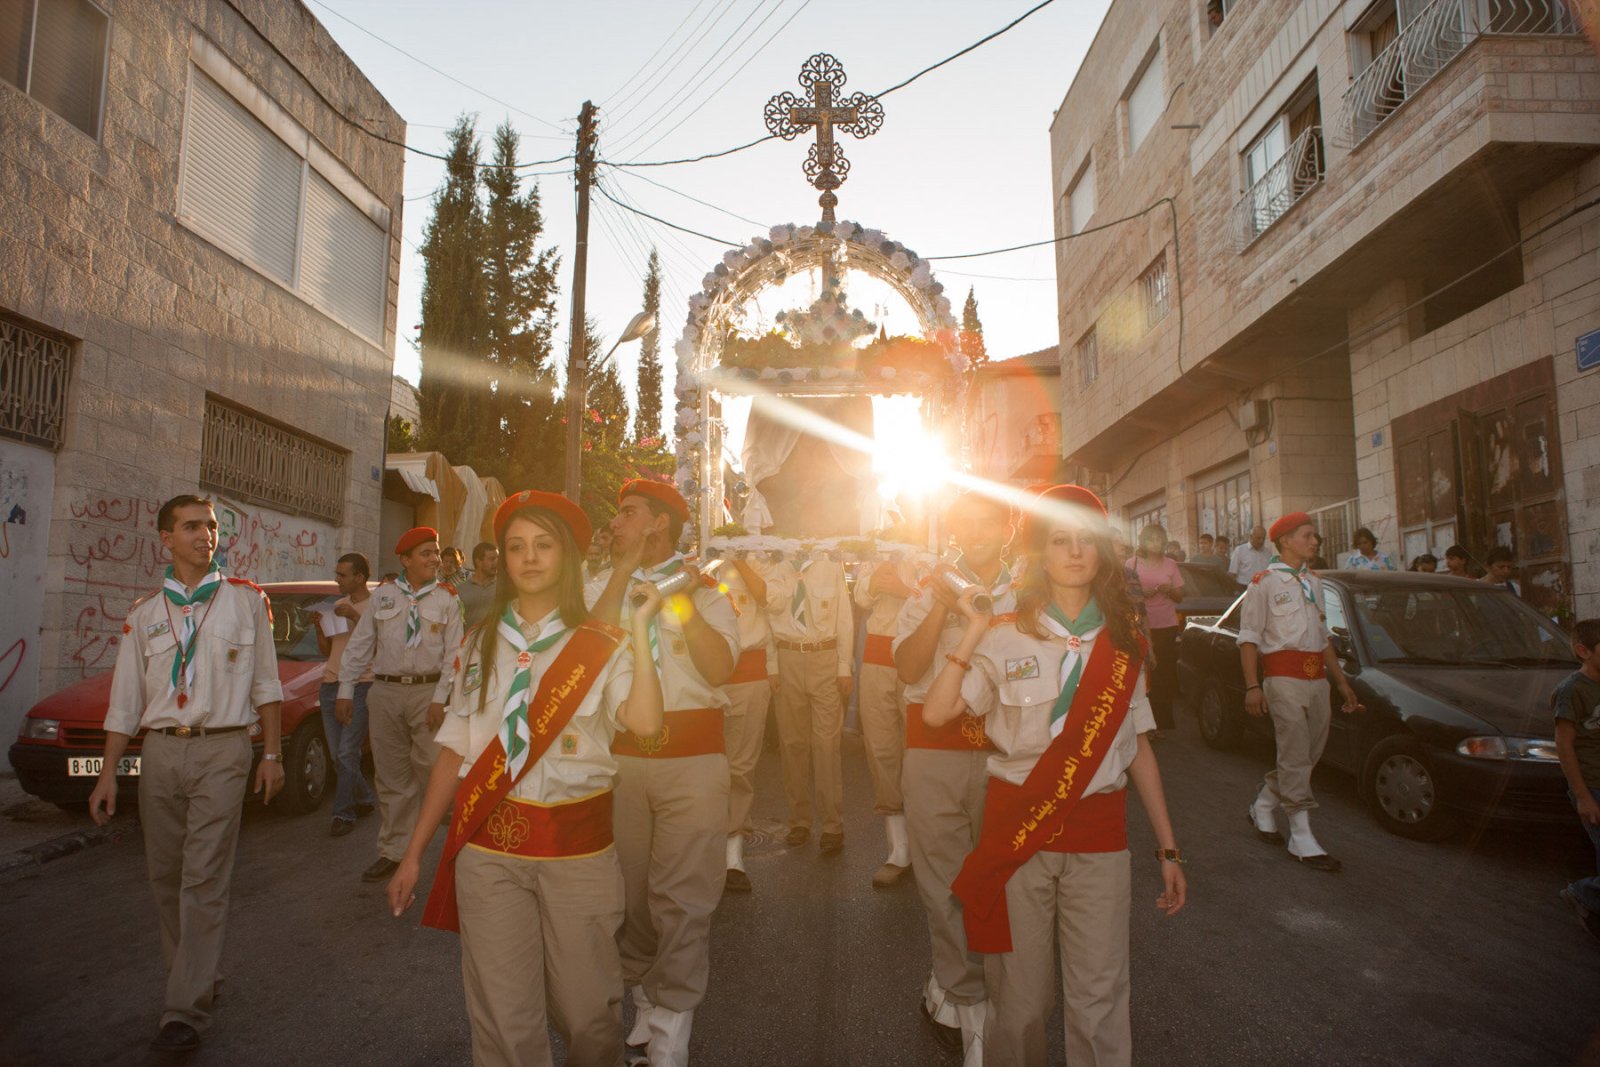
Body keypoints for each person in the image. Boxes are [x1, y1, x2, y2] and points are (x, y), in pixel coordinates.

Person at [386, 490, 665, 1066]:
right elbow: (454, 754)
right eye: (516, 547)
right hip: (489, 853)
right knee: (503, 1021)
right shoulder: (478, 644)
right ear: (504, 560)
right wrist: (414, 853)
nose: (529, 558)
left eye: (543, 545)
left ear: (565, 557)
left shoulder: (598, 644)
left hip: (577, 853)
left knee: (590, 1018)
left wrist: (639, 630)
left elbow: (644, 723)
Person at [922, 484, 1186, 1067]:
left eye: (1085, 542)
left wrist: (1169, 849)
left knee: (1100, 997)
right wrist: (971, 628)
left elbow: (1139, 747)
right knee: (1019, 1000)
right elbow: (938, 713)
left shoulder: (1125, 643)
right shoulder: (1004, 634)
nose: (1073, 553)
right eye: (1059, 541)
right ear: (1041, 553)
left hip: (1099, 836)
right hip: (1019, 832)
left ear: (1101, 554)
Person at [88, 494, 284, 1054]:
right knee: (165, 876)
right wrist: (106, 774)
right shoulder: (145, 614)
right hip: (160, 755)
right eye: (192, 526)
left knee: (203, 877)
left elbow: (266, 685)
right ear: (166, 539)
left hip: (223, 750)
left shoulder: (246, 603)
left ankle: (184, 1010)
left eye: (213, 526)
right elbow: (124, 705)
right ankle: (197, 976)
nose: (206, 535)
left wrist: (270, 755)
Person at [588, 480, 739, 1067]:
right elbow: (587, 652)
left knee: (682, 898)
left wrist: (680, 601)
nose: (617, 522)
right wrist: (623, 579)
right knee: (630, 896)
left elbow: (721, 668)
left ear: (660, 524)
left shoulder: (707, 589)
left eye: (628, 513)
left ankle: (672, 1027)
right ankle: (648, 997)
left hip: (692, 762)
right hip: (621, 761)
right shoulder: (601, 587)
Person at [893, 491, 1017, 1062]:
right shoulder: (927, 588)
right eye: (965, 522)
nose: (976, 531)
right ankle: (969, 1008)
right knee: (943, 885)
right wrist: (943, 607)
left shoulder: (1032, 595)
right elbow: (908, 668)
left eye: (988, 521)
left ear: (1008, 527)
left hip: (1007, 754)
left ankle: (979, 993)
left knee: (1003, 884)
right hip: (935, 749)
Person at [1238, 511, 1363, 872]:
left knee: (1308, 754)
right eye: (1308, 536)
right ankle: (1301, 834)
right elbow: (1248, 639)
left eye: (1315, 537)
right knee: (1294, 750)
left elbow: (1323, 638)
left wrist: (1341, 683)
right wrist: (1251, 686)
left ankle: (1263, 803)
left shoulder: (1315, 582)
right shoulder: (1263, 583)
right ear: (1286, 541)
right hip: (1283, 677)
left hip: (1316, 679)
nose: (1315, 542)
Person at [338, 528, 462, 884]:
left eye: (436, 553)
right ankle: (394, 851)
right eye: (425, 553)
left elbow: (454, 654)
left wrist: (441, 698)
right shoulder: (384, 597)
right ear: (405, 560)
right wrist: (346, 689)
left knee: (437, 772)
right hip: (386, 691)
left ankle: (459, 843)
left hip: (427, 694)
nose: (434, 559)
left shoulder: (447, 598)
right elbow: (362, 643)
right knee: (392, 778)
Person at [765, 549, 855, 853]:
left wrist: (844, 666)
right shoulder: (776, 564)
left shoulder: (830, 563)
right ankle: (799, 821)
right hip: (787, 656)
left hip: (824, 657)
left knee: (827, 745)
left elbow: (844, 616)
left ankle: (832, 824)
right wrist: (772, 665)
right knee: (792, 744)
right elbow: (766, 615)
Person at [854, 552, 922, 888]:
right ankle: (898, 848)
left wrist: (903, 586)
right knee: (881, 747)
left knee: (920, 747)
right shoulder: (876, 549)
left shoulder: (932, 547)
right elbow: (861, 596)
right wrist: (877, 578)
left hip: (918, 652)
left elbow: (939, 598)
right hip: (878, 652)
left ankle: (925, 840)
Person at [717, 556, 778, 894]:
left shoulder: (760, 562)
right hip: (704, 672)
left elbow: (770, 600)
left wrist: (740, 559)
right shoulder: (697, 560)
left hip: (749, 669)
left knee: (740, 767)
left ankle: (732, 855)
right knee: (704, 765)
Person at [316, 552, 377, 837]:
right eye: (336, 573)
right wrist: (319, 626)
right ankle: (364, 798)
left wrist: (355, 616)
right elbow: (328, 650)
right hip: (330, 684)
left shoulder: (376, 606)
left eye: (342, 574)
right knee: (338, 754)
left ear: (359, 577)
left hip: (360, 685)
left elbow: (381, 647)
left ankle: (343, 813)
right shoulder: (337, 605)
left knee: (347, 752)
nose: (337, 579)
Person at [1553, 618, 1600, 939]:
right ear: (1584, 651)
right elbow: (1564, 744)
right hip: (1594, 784)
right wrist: (1582, 795)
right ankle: (1582, 893)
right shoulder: (1572, 690)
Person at [1127, 524, 1185, 734]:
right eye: (1152, 539)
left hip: (1167, 625)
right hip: (1140, 626)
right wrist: (1140, 591)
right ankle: (1141, 724)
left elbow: (1180, 596)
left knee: (1163, 674)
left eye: (1160, 540)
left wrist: (1170, 590)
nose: (1156, 544)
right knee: (1142, 674)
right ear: (1143, 541)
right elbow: (1123, 594)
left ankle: (1160, 723)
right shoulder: (1131, 563)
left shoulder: (1170, 564)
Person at [456, 542, 499, 628]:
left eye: (498, 558)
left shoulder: (503, 588)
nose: (496, 562)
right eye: (492, 559)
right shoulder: (460, 590)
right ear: (478, 561)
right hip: (469, 640)